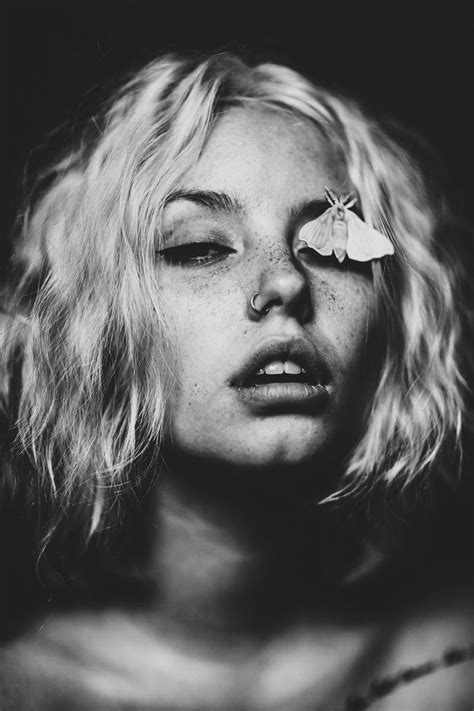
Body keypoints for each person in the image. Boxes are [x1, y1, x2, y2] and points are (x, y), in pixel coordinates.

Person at [0, 51, 472, 710]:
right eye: (199, 247)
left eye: (333, 246)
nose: (285, 281)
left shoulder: (454, 670)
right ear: (99, 323)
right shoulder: (22, 691)